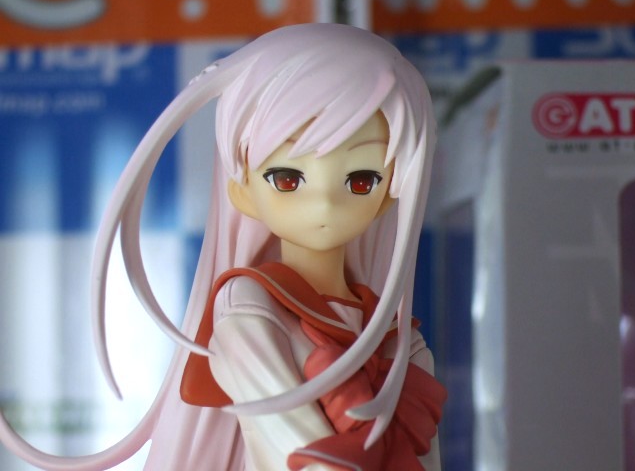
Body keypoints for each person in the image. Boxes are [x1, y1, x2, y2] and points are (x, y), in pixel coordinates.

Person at [0, 23, 445, 470]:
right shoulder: (249, 310)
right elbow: (290, 444)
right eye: (287, 179)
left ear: (389, 193)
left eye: (361, 180)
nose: (325, 204)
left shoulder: (398, 340)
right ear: (243, 191)